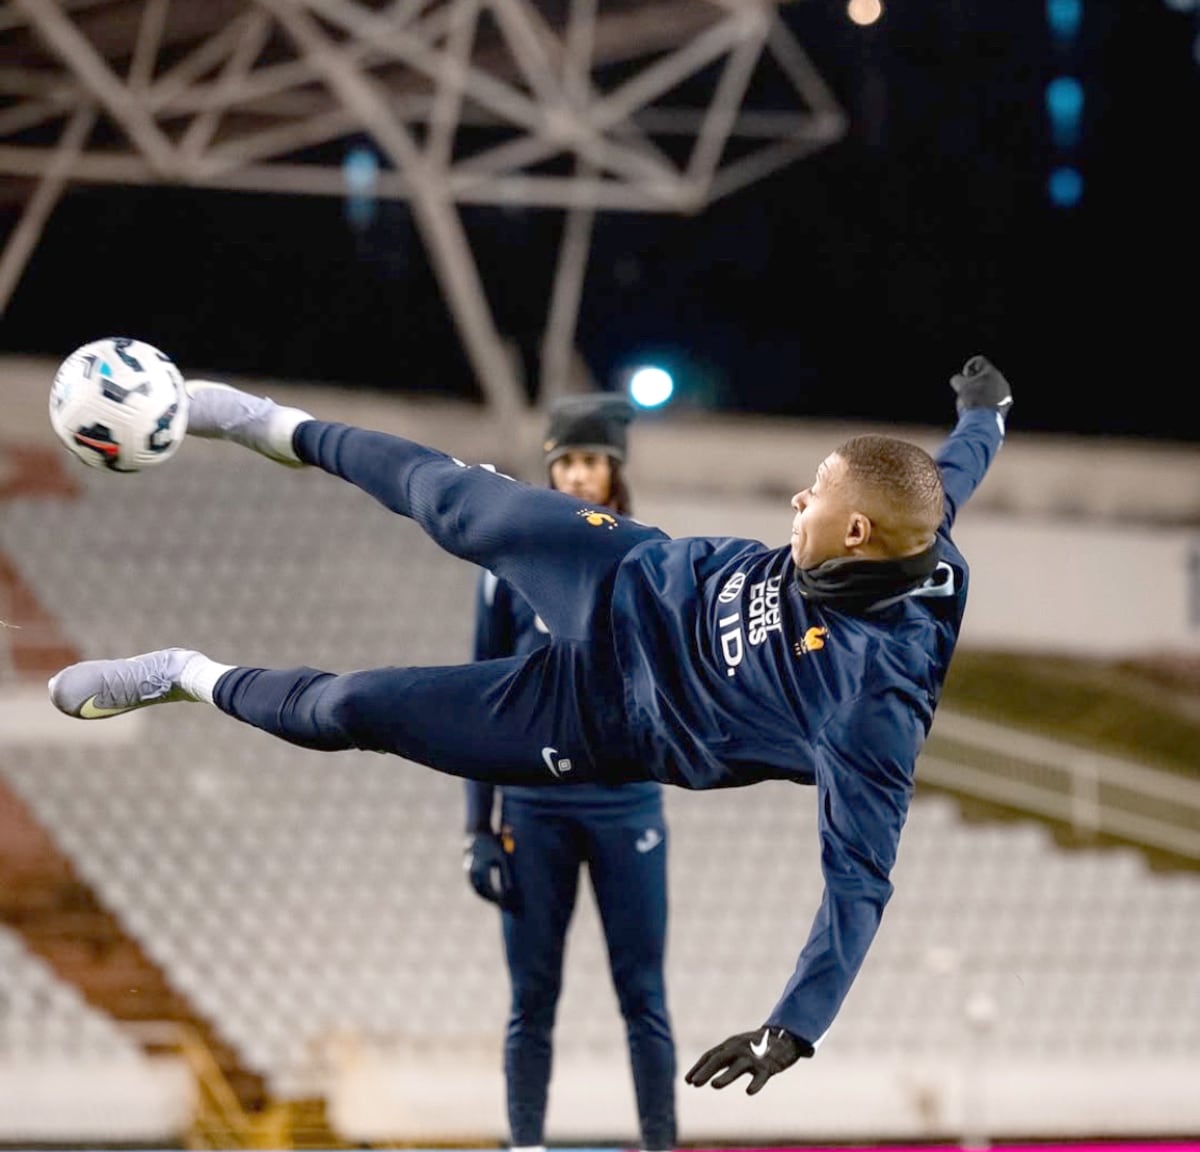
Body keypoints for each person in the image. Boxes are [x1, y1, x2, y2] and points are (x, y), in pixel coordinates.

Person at [48, 354, 1013, 1103]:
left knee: (352, 712)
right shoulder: (912, 527)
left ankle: (185, 675)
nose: (798, 500)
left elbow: (859, 880)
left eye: (817, 496)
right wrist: (984, 415)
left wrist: (794, 1026)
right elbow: (944, 479)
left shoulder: (868, 703)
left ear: (855, 537)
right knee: (446, 497)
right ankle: (261, 422)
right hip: (625, 573)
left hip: (596, 718)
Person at [463, 392, 679, 1152]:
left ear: (614, 470)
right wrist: (475, 828)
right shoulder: (508, 566)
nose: (578, 474)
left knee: (644, 993)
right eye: (565, 461)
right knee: (532, 998)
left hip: (627, 809)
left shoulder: (651, 562)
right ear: (550, 469)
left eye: (591, 460)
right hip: (532, 809)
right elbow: (482, 700)